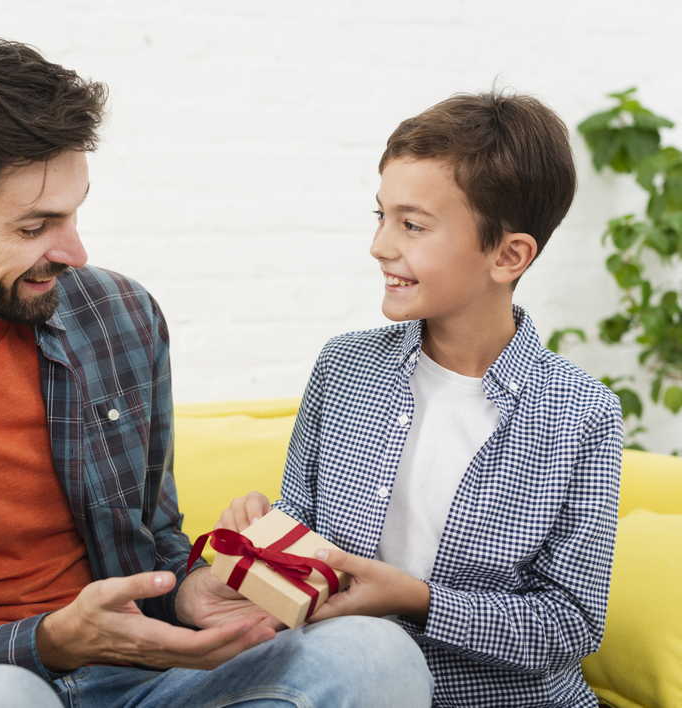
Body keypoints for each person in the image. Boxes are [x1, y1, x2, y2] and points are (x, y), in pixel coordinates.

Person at [0, 34, 432, 707]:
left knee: (375, 654)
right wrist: (45, 643)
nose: (73, 250)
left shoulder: (120, 316)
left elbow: (155, 539)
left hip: (143, 677)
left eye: (73, 213)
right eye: (32, 227)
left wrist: (192, 591)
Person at [220, 92, 623, 707]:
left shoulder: (581, 413)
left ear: (508, 255)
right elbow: (307, 554)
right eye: (380, 216)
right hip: (352, 682)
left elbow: (568, 624)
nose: (381, 245)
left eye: (412, 224)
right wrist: (261, 542)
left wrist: (417, 598)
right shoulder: (345, 368)